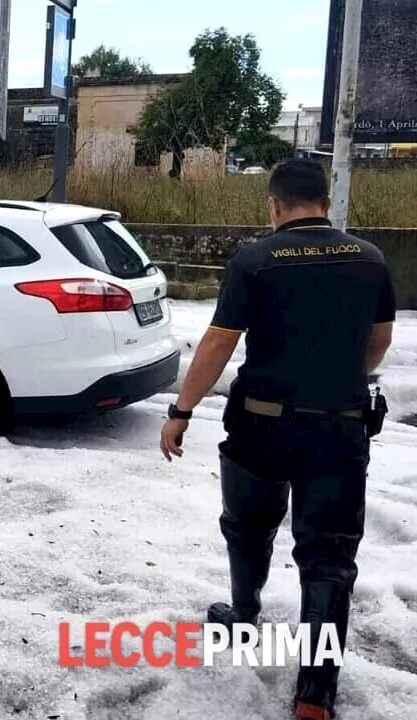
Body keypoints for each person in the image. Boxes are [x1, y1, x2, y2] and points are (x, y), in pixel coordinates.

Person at [159, 159, 394, 720]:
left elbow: (218, 342)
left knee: (247, 527)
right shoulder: (370, 258)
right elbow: (379, 340)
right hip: (340, 426)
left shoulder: (257, 259)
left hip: (261, 423)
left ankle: (244, 615)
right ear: (325, 204)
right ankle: (315, 698)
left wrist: (181, 410)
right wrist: (339, 383)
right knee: (329, 559)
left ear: (274, 206)